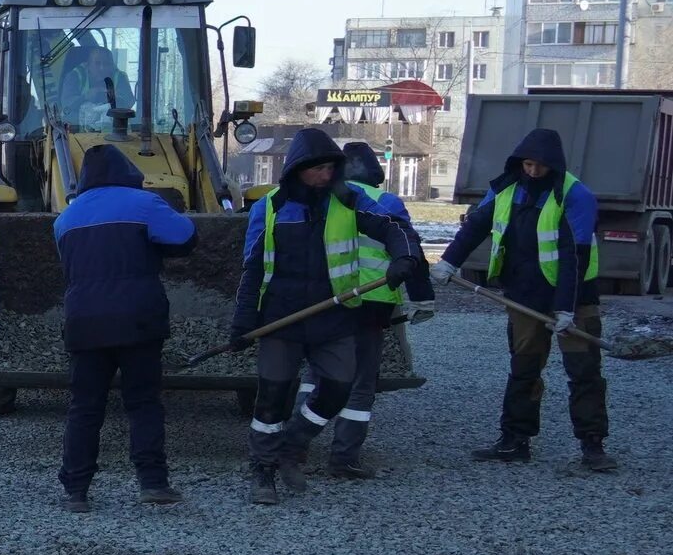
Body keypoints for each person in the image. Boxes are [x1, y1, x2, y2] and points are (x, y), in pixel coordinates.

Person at [230, 127, 423, 505]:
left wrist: (405, 258)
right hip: (282, 319)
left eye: (331, 169)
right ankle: (263, 471)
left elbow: (394, 229)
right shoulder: (268, 208)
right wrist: (243, 322)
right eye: (318, 169)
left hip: (333, 316)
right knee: (271, 398)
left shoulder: (349, 202)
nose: (326, 176)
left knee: (337, 388)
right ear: (298, 169)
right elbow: (252, 268)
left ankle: (293, 444)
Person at [433, 127, 615, 472]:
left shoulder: (575, 196)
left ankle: (593, 446)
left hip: (575, 296)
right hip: (525, 296)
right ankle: (515, 440)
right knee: (524, 369)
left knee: (584, 370)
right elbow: (475, 228)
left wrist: (566, 307)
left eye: (540, 166)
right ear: (519, 163)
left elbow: (573, 255)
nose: (533, 172)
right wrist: (448, 261)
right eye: (528, 164)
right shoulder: (505, 190)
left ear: (554, 166)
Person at [51, 144, 197, 511]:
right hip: (137, 319)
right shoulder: (142, 204)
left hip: (83, 321)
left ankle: (76, 490)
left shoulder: (66, 218)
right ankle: (153, 483)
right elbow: (185, 238)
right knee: (143, 402)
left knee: (85, 407)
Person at [308, 142, 436, 479]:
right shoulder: (386, 201)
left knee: (315, 375)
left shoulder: (317, 196)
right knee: (362, 382)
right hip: (374, 299)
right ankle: (344, 458)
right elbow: (411, 247)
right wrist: (423, 297)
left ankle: (297, 447)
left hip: (327, 299)